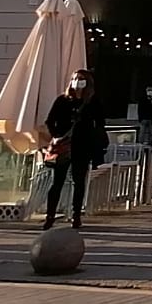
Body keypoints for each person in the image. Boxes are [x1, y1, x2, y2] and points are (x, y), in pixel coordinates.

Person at [41, 68, 109, 229]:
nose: (77, 82)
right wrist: (57, 135)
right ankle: (50, 216)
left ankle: (76, 215)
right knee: (57, 181)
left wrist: (95, 143)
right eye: (75, 79)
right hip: (64, 145)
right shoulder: (62, 100)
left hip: (82, 146)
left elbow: (100, 124)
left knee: (78, 182)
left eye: (80, 79)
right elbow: (50, 121)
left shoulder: (93, 102)